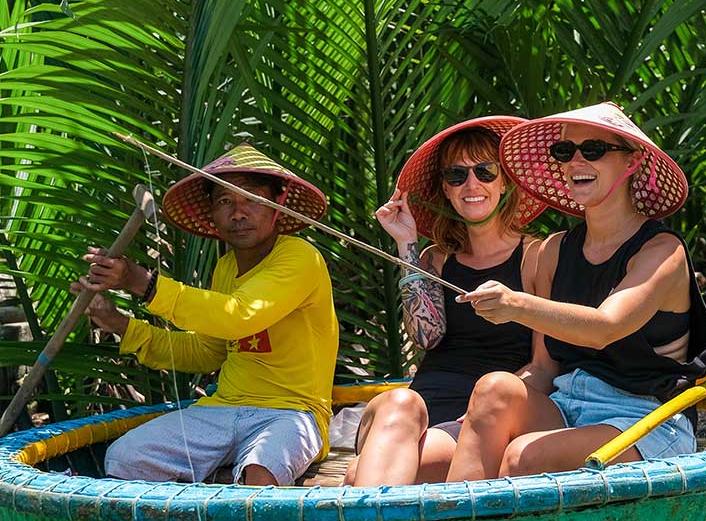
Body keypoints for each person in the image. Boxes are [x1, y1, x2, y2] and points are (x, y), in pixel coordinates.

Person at [445, 101, 706, 480]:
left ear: (631, 161)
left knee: (524, 456)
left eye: (593, 150)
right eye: (564, 151)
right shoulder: (553, 252)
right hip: (567, 406)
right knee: (492, 389)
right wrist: (481, 413)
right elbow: (543, 369)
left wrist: (516, 304)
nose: (575, 162)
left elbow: (605, 327)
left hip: (645, 419)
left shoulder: (662, 252)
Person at [76, 144, 339, 487]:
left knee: (261, 472)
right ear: (213, 216)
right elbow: (206, 353)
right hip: (222, 409)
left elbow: (238, 316)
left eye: (253, 199)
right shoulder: (225, 268)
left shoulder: (301, 257)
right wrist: (119, 323)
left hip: (291, 413)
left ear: (278, 206)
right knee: (126, 458)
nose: (238, 213)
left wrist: (143, 283)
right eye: (224, 202)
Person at [345, 117, 547, 486]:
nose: (472, 184)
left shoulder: (537, 256)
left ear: (504, 180)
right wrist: (407, 245)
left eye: (485, 172)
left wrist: (484, 411)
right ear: (446, 189)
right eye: (457, 176)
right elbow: (427, 338)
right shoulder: (435, 259)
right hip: (416, 408)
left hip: (483, 417)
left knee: (361, 474)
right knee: (399, 403)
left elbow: (544, 364)